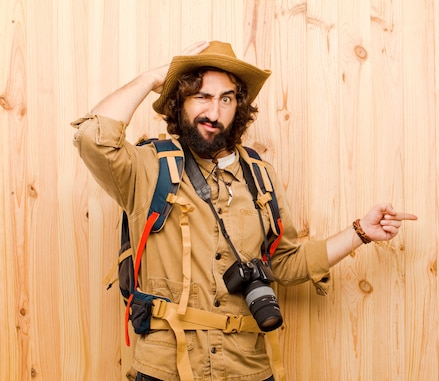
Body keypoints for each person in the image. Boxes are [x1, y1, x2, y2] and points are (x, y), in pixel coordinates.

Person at [72, 40, 417, 381]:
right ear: (180, 103)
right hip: (168, 370)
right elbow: (92, 137)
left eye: (226, 99)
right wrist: (151, 78)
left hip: (247, 368)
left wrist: (360, 232)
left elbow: (286, 262)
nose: (214, 111)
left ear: (239, 107)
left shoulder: (260, 175)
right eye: (202, 96)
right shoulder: (147, 167)